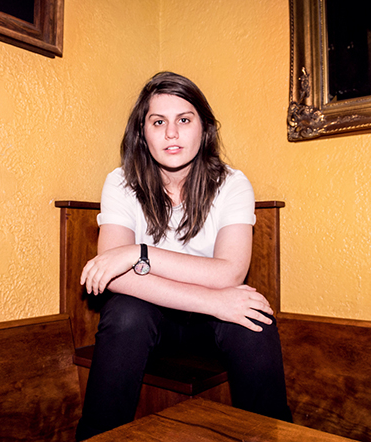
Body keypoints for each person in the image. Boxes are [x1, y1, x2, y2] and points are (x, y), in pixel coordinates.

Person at [75, 72, 292, 440]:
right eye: (158, 122)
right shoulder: (121, 182)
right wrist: (213, 300)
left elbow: (229, 274)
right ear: (142, 132)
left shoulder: (232, 184)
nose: (171, 133)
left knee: (255, 320)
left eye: (184, 120)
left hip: (209, 326)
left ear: (204, 128)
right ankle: (96, 436)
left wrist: (139, 253)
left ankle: (273, 435)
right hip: (151, 317)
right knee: (125, 313)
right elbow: (113, 275)